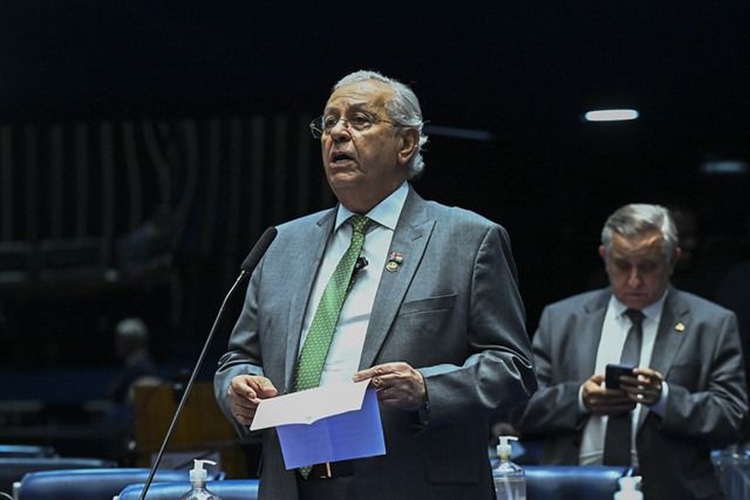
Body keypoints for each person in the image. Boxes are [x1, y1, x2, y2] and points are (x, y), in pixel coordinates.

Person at [213, 70, 537, 500]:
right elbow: (239, 358)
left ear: (406, 143)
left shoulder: (468, 240)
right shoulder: (281, 244)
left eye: (360, 120)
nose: (337, 134)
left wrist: (426, 387)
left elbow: (513, 368)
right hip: (293, 484)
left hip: (411, 485)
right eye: (329, 122)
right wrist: (238, 386)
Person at [510, 203, 748, 500]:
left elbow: (733, 416)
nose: (634, 280)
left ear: (672, 260)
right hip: (576, 489)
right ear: (604, 257)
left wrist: (664, 398)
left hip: (674, 492)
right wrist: (581, 399)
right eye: (622, 265)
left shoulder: (712, 323)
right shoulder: (562, 319)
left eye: (648, 266)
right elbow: (520, 408)